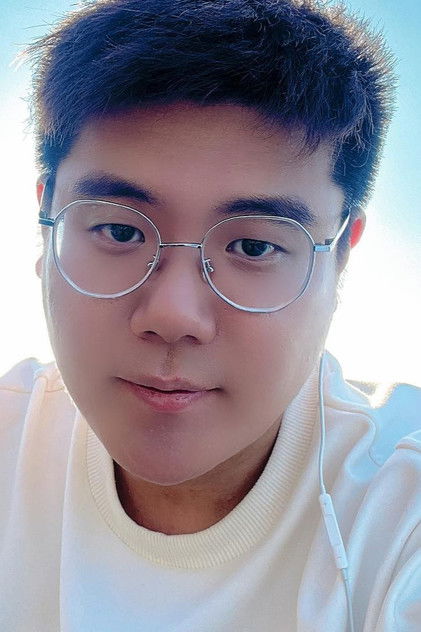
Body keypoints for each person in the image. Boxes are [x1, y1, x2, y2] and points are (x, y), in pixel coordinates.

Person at [1, 0, 420, 630]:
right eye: (119, 230)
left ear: (340, 259)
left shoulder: (399, 510)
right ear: (45, 225)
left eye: (253, 246)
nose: (173, 316)